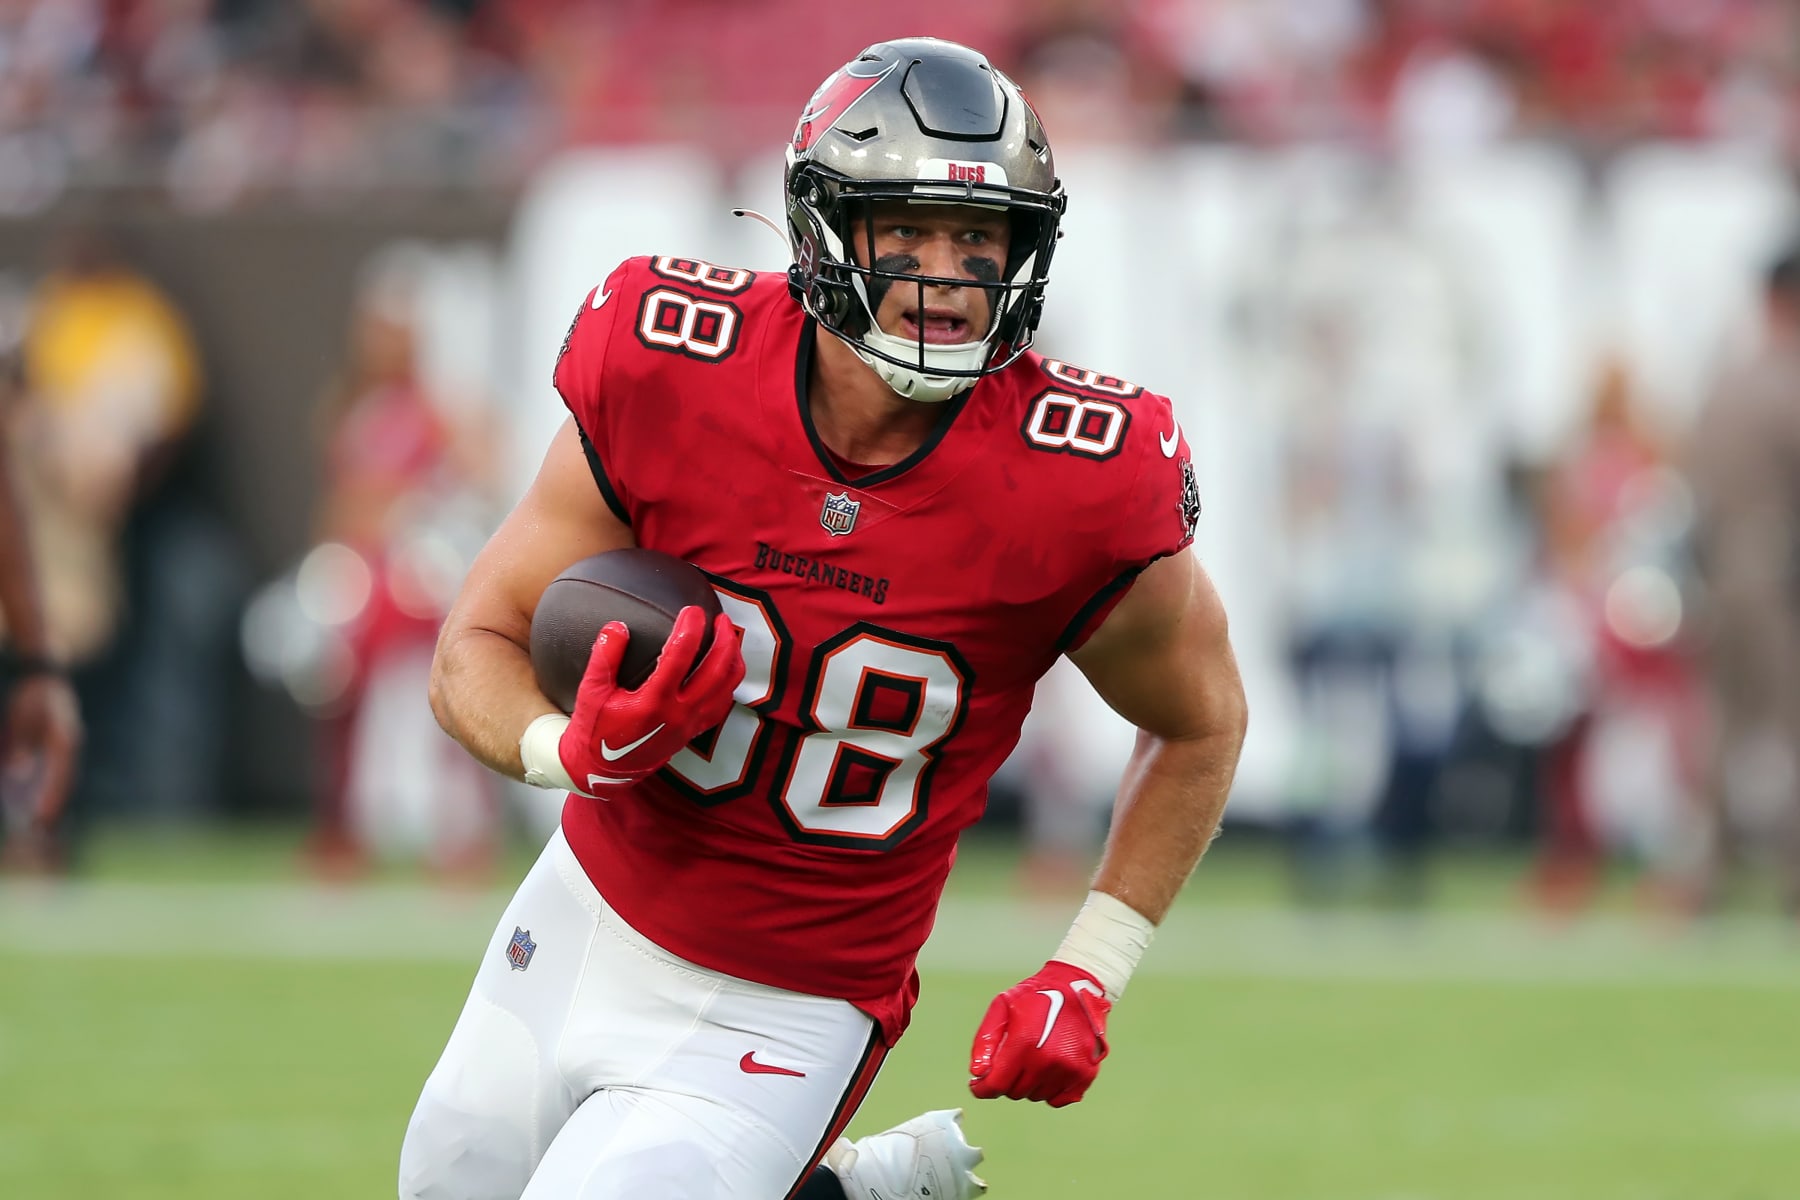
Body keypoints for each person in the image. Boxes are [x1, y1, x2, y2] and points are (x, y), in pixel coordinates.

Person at [401, 37, 1247, 1200]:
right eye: (907, 231)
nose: (949, 275)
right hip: (585, 911)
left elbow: (1201, 723)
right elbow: (473, 649)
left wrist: (1091, 967)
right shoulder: (671, 358)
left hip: (797, 998)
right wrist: (566, 750)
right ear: (822, 230)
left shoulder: (1082, 474)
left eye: (979, 239)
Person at [1685, 241, 1800, 919]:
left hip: (1719, 563)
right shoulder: (1787, 381)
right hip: (1780, 565)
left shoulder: (1727, 380)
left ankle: (1705, 873)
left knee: (1723, 725)